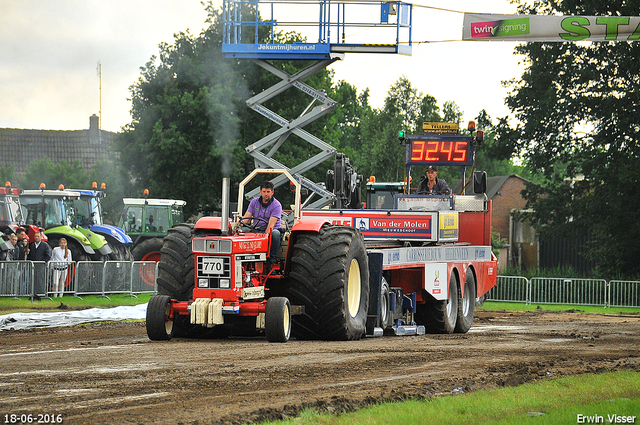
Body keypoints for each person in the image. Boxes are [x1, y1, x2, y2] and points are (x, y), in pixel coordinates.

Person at [241, 181, 282, 265]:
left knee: (275, 233)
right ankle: (243, 258)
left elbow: (271, 225)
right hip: (257, 229)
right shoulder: (254, 202)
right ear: (260, 192)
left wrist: (263, 237)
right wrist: (241, 223)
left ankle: (272, 260)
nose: (266, 194)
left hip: (269, 231)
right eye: (264, 192)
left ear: (272, 192)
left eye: (268, 192)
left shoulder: (276, 205)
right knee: (241, 231)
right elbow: (246, 217)